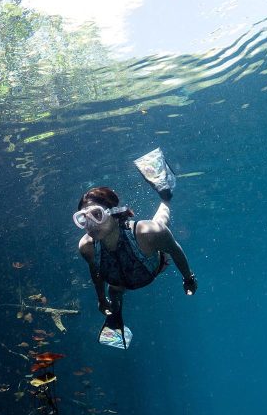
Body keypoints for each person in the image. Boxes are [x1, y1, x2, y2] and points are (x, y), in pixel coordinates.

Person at [75, 148, 196, 346]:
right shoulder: (86, 247)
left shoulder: (147, 233)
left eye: (96, 214)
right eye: (82, 218)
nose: (90, 224)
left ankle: (164, 195)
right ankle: (116, 317)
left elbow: (174, 250)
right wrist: (100, 298)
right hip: (119, 281)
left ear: (114, 213)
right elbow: (96, 270)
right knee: (115, 290)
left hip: (155, 265)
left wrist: (188, 278)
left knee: (161, 221)